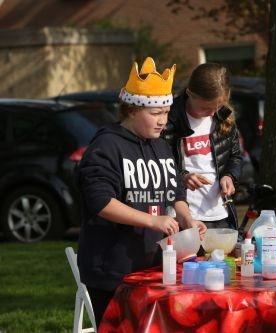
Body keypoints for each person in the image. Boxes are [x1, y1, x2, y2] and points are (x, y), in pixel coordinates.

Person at [76, 57, 206, 327]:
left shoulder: (160, 146)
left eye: (167, 112)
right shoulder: (106, 145)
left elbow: (175, 190)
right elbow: (100, 202)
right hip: (114, 271)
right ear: (132, 110)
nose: (163, 121)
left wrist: (186, 219)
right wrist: (151, 220)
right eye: (155, 114)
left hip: (154, 268)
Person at [163, 62, 242, 230]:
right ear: (190, 94)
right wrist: (183, 176)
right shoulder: (169, 119)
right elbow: (160, 165)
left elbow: (235, 156)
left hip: (220, 212)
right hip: (184, 214)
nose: (213, 113)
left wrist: (229, 176)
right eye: (206, 107)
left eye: (218, 106)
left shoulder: (223, 117)